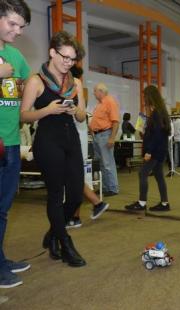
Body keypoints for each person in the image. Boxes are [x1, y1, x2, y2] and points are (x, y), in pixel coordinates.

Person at [21, 31, 87, 267]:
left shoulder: (76, 83)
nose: (68, 63)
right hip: (48, 142)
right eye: (65, 57)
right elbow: (24, 115)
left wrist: (74, 110)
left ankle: (53, 234)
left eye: (72, 60)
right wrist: (47, 110)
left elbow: (82, 116)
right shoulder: (36, 81)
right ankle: (65, 242)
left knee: (77, 193)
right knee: (56, 195)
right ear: (52, 52)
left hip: (71, 141)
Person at [0, 0, 31, 288]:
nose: (18, 30)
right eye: (12, 23)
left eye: (21, 26)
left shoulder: (16, 57)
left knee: (3, 207)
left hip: (10, 142)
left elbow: (28, 90)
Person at [67, 65, 108, 229]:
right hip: (78, 136)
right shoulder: (79, 92)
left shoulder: (73, 90)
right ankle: (93, 204)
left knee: (74, 177)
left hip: (75, 138)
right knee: (75, 177)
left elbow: (78, 116)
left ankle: (89, 207)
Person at [124, 85, 171, 212]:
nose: (144, 99)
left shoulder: (156, 114)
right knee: (159, 176)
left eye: (145, 96)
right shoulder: (160, 112)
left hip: (155, 151)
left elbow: (156, 135)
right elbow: (158, 133)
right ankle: (165, 203)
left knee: (143, 173)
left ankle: (142, 202)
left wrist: (149, 151)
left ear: (150, 97)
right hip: (159, 150)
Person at [89, 83, 120, 196]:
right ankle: (106, 187)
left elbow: (115, 121)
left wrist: (112, 138)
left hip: (105, 135)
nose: (94, 93)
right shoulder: (100, 104)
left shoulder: (110, 101)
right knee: (102, 163)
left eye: (95, 91)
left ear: (101, 91)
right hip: (98, 136)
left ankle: (112, 188)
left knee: (107, 163)